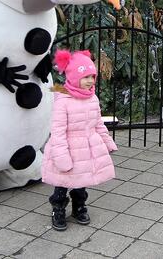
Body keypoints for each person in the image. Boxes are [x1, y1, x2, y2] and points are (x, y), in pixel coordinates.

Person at [42, 49, 118, 231]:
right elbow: (58, 131)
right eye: (86, 77)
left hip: (86, 150)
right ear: (74, 77)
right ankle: (58, 209)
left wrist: (107, 142)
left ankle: (79, 207)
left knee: (80, 184)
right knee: (62, 184)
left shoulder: (93, 99)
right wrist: (61, 156)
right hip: (67, 149)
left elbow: (98, 123)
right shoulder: (63, 101)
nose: (91, 81)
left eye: (93, 76)